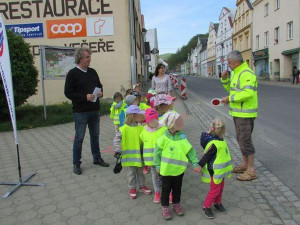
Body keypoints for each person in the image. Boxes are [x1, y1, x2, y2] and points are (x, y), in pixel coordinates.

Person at [64, 47, 109, 175]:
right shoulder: (72, 74)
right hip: (81, 111)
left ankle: (97, 158)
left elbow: (100, 85)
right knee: (79, 138)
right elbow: (68, 92)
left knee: (95, 136)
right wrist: (84, 97)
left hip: (94, 110)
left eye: (90, 56)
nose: (90, 59)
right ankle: (76, 163)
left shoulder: (93, 72)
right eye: (87, 57)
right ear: (80, 58)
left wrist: (100, 93)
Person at [154, 111, 200, 220]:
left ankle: (176, 204)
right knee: (165, 189)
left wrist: (195, 163)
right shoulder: (163, 138)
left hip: (179, 170)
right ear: (171, 124)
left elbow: (190, 151)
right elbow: (157, 152)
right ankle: (165, 207)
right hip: (166, 170)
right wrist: (157, 165)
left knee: (177, 188)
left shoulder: (182, 137)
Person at [220, 50, 258, 181]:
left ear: (236, 62)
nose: (228, 66)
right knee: (241, 140)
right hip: (238, 113)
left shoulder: (247, 73)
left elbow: (248, 93)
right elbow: (231, 90)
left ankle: (251, 170)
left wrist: (230, 99)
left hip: (245, 114)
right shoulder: (236, 72)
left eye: (229, 63)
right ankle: (244, 164)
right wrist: (225, 80)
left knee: (245, 141)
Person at [114, 105, 152, 199]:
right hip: (129, 157)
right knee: (131, 173)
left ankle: (142, 186)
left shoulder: (141, 128)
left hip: (139, 156)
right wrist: (118, 149)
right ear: (134, 116)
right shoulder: (123, 129)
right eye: (140, 115)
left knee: (140, 173)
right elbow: (117, 140)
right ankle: (132, 188)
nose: (142, 117)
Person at [198, 118, 233, 219]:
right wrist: (199, 165)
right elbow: (206, 156)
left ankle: (218, 203)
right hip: (215, 171)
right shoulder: (214, 144)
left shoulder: (221, 140)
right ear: (224, 130)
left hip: (221, 171)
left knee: (220, 188)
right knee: (215, 190)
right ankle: (206, 207)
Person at [140, 108, 167, 203]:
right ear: (147, 122)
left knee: (165, 175)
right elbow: (143, 140)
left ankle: (168, 192)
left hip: (162, 158)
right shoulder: (144, 131)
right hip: (151, 159)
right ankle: (157, 193)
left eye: (155, 120)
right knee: (154, 175)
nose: (154, 122)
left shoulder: (163, 129)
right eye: (151, 121)